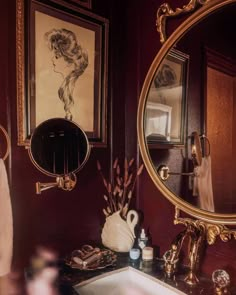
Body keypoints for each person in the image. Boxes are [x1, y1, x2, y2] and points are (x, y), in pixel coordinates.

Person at [45, 28, 88, 120]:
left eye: (56, 56)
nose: (52, 59)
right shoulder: (63, 86)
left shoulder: (77, 88)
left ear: (69, 61)